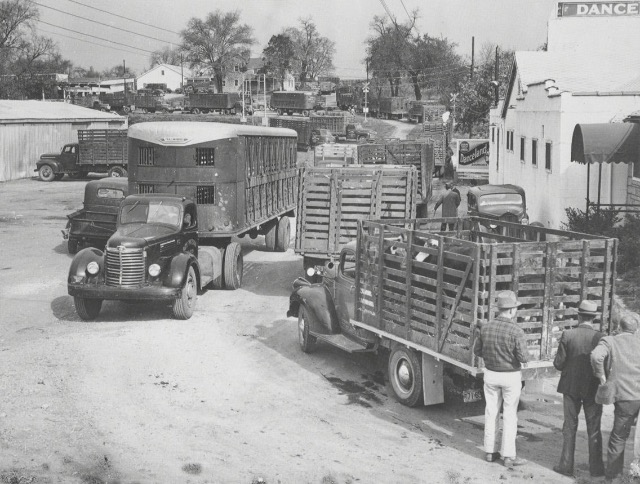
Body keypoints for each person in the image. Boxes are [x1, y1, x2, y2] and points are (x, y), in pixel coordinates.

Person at [474, 290, 529, 467]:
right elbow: (523, 357)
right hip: (510, 377)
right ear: (512, 310)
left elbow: (477, 351)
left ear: (499, 309)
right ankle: (508, 456)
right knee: (510, 415)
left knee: (491, 413)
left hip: (490, 375)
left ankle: (490, 452)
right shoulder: (517, 331)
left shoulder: (486, 327)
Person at [552, 300, 605, 478]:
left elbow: (558, 364)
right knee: (594, 428)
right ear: (593, 318)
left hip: (571, 387)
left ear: (579, 316)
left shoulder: (568, 335)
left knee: (569, 427)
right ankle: (596, 469)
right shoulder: (600, 337)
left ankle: (566, 466)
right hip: (593, 388)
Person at [591, 316, 640, 483]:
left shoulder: (610, 341)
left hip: (625, 397)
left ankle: (614, 477)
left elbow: (596, 357)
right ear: (636, 329)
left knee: (619, 436)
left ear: (619, 327)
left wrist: (602, 377)